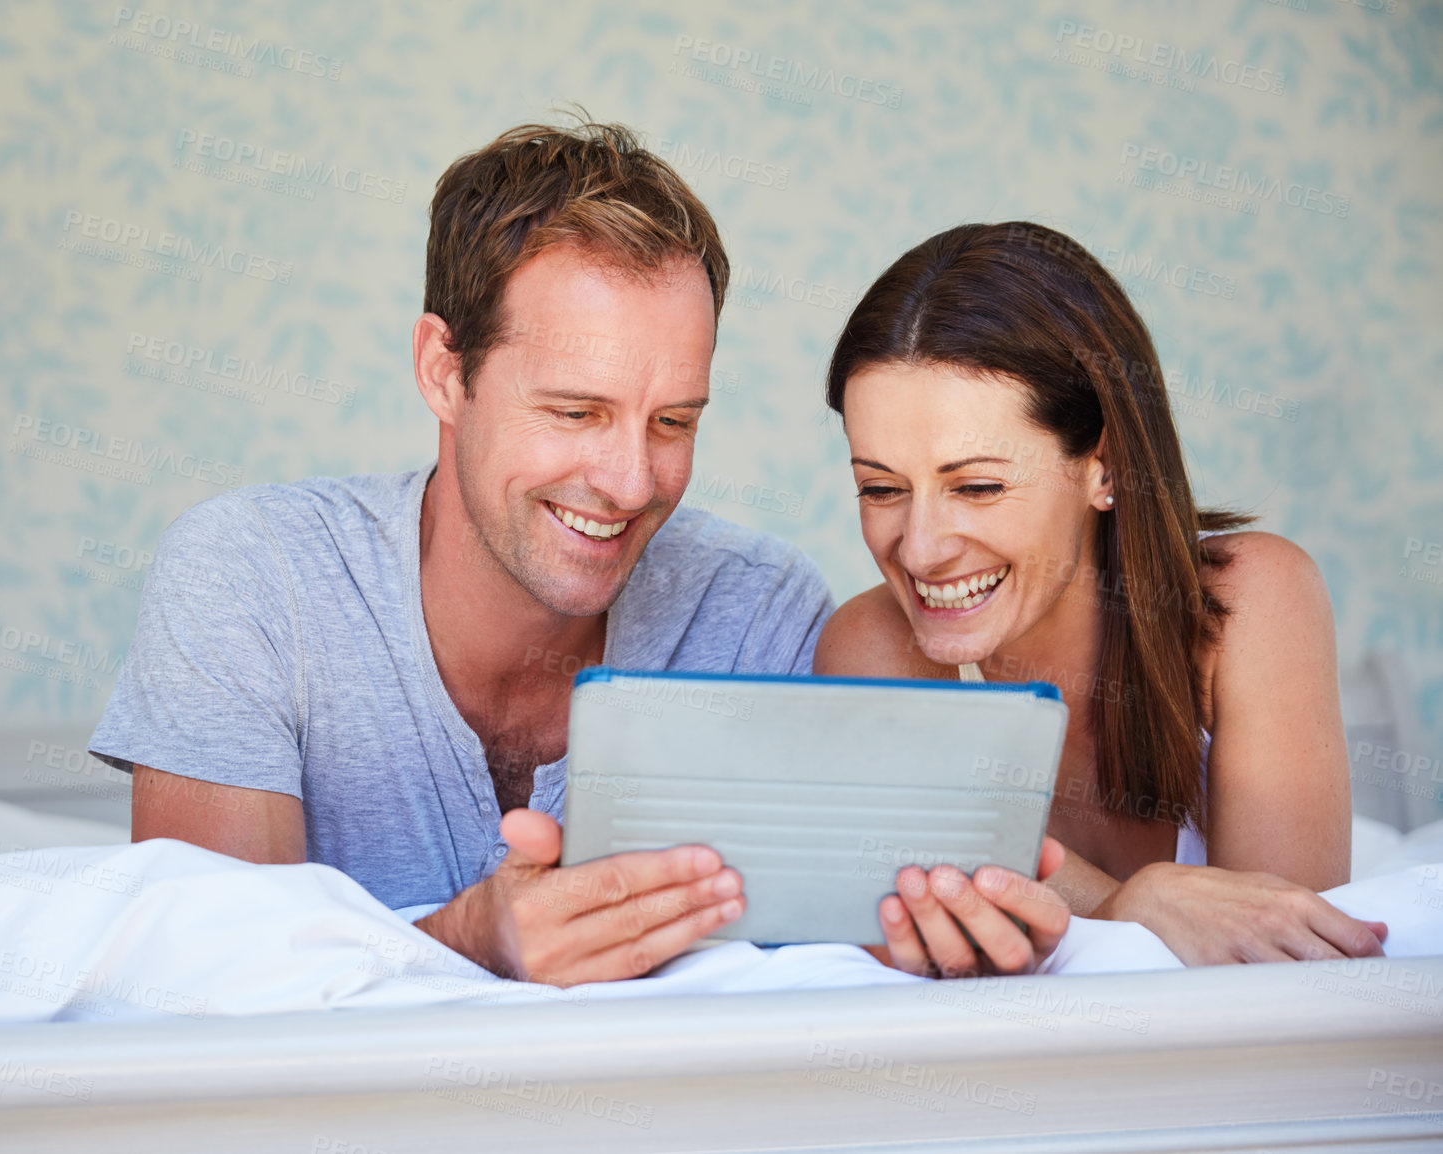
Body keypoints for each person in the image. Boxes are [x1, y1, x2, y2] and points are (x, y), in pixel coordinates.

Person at [89, 124, 1069, 986]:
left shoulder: (754, 612)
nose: (631, 479)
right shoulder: (255, 582)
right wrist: (469, 936)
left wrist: (926, 940)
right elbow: (202, 989)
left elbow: (820, 975)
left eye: (673, 420)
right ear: (444, 369)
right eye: (575, 411)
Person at [814, 221, 1389, 969]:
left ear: (1106, 467)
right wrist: (1125, 903)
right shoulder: (873, 645)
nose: (920, 548)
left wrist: (1093, 899)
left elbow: (1282, 958)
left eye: (979, 486)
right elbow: (906, 875)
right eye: (881, 488)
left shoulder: (1250, 601)